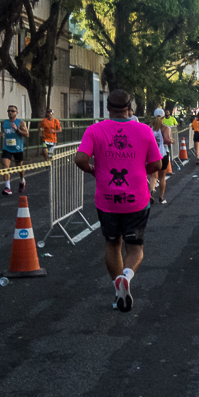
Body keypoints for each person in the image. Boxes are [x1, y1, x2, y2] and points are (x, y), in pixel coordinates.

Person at [75, 90, 162, 312]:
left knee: (113, 244)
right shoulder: (143, 130)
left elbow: (80, 159)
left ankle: (117, 289)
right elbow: (157, 164)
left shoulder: (95, 130)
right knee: (135, 249)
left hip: (107, 199)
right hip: (137, 199)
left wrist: (94, 170)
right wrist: (141, 171)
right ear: (129, 106)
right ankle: (127, 276)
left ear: (107, 107)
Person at [0, 104, 29, 195]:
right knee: (5, 165)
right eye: (8, 111)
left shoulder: (20, 122)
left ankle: (22, 180)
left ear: (16, 113)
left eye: (12, 111)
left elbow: (27, 134)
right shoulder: (4, 122)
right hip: (7, 148)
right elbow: (3, 132)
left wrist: (17, 129)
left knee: (19, 167)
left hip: (18, 148)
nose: (10, 112)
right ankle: (8, 187)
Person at [150, 107, 174, 204]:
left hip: (152, 154)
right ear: (163, 117)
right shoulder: (165, 128)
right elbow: (167, 139)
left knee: (153, 176)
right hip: (163, 154)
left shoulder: (150, 127)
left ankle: (151, 191)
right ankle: (161, 197)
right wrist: (172, 141)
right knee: (162, 176)